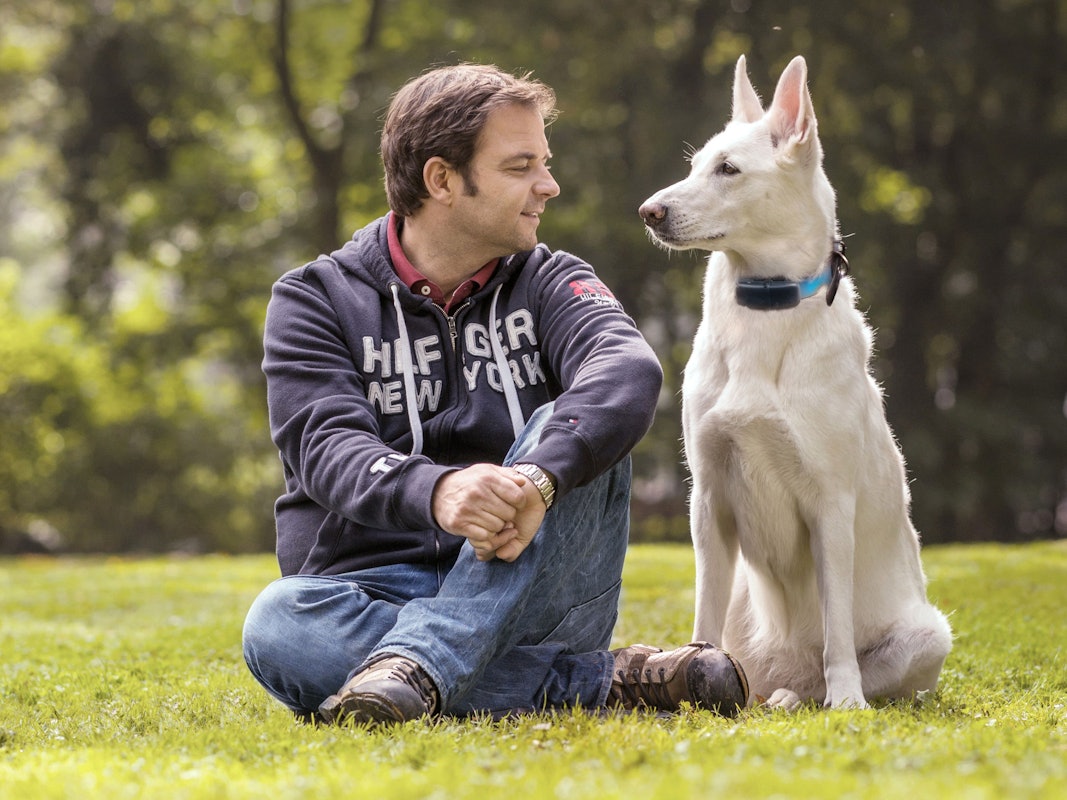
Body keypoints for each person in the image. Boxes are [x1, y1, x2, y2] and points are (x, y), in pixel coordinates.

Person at [241, 63, 748, 726]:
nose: (548, 185)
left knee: (564, 423)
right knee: (281, 626)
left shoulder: (552, 280)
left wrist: (537, 478)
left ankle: (417, 666)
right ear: (441, 180)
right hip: (371, 591)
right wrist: (438, 492)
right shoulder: (315, 300)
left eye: (544, 161)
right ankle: (599, 683)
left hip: (537, 589)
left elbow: (624, 371)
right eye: (520, 166)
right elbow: (326, 446)